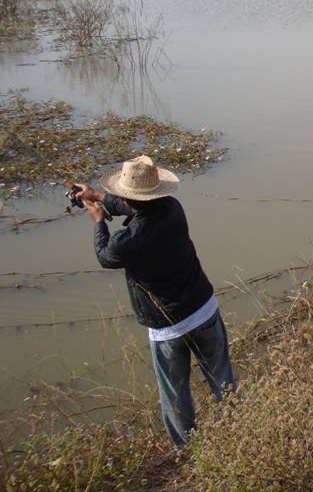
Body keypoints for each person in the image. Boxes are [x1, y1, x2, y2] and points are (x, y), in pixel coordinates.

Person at [72, 155, 234, 447]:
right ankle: (241, 431)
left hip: (167, 328)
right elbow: (129, 205)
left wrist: (98, 222)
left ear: (127, 195)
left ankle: (187, 450)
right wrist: (95, 197)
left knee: (175, 394)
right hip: (203, 310)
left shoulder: (127, 240)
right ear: (158, 191)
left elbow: (105, 256)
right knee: (223, 380)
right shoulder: (172, 208)